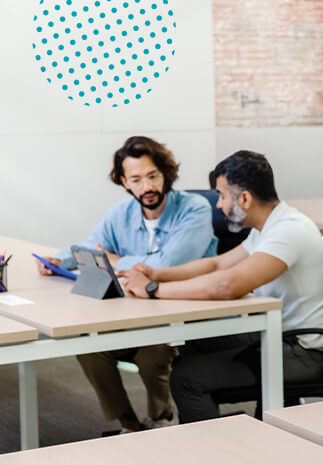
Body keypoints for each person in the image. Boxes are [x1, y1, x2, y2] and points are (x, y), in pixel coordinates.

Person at [118, 150, 323, 423]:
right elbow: (216, 265)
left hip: (304, 351)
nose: (219, 205)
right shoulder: (268, 227)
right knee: (193, 341)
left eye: (222, 196)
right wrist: (157, 273)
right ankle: (268, 417)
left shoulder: (289, 230)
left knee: (186, 379)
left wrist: (153, 290)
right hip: (276, 334)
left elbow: (227, 285)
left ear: (244, 198)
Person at [35, 136, 218, 433]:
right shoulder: (121, 213)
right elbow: (90, 248)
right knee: (88, 346)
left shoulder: (194, 208)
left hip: (180, 314)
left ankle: (160, 418)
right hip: (134, 311)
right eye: (136, 179)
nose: (146, 187)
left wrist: (116, 260)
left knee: (152, 351)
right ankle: (129, 424)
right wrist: (57, 260)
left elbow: (167, 264)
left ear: (166, 174)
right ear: (124, 182)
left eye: (152, 176)